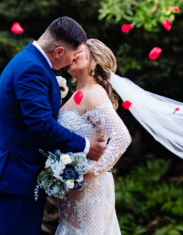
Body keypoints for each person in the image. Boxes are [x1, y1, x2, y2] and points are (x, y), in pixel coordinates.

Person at [0, 17, 107, 235]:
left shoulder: (30, 62)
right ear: (59, 51)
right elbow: (41, 125)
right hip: (17, 177)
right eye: (71, 56)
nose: (72, 61)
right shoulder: (32, 69)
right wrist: (86, 146)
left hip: (19, 176)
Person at [56, 38, 132, 234]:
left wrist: (93, 171)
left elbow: (122, 136)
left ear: (95, 61)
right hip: (73, 191)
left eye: (78, 51)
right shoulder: (75, 95)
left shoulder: (94, 93)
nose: (71, 54)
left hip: (91, 190)